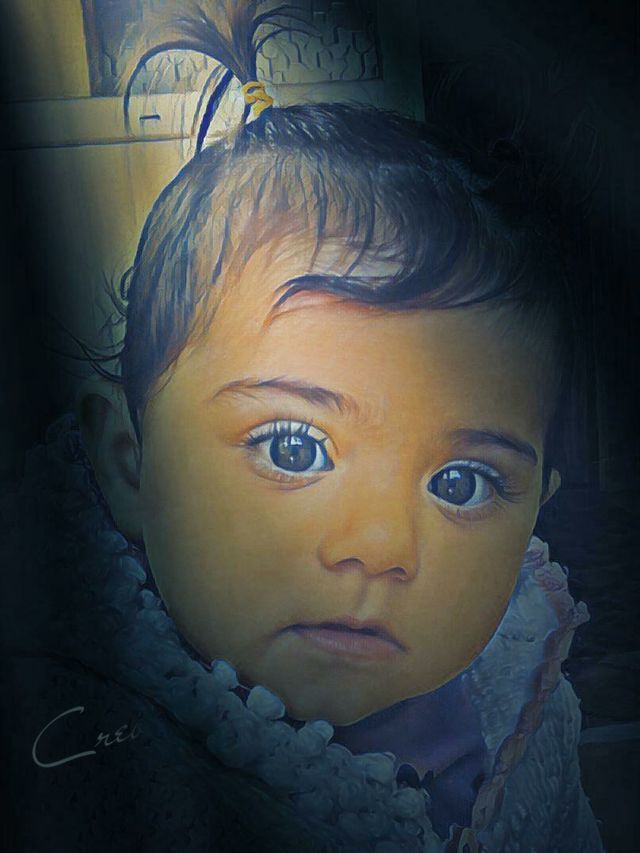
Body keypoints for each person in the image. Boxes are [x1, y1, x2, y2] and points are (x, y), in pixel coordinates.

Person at [2, 2, 603, 850]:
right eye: (293, 447)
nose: (380, 546)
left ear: (536, 505)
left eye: (461, 482)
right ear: (131, 462)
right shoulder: (78, 745)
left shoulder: (527, 699)